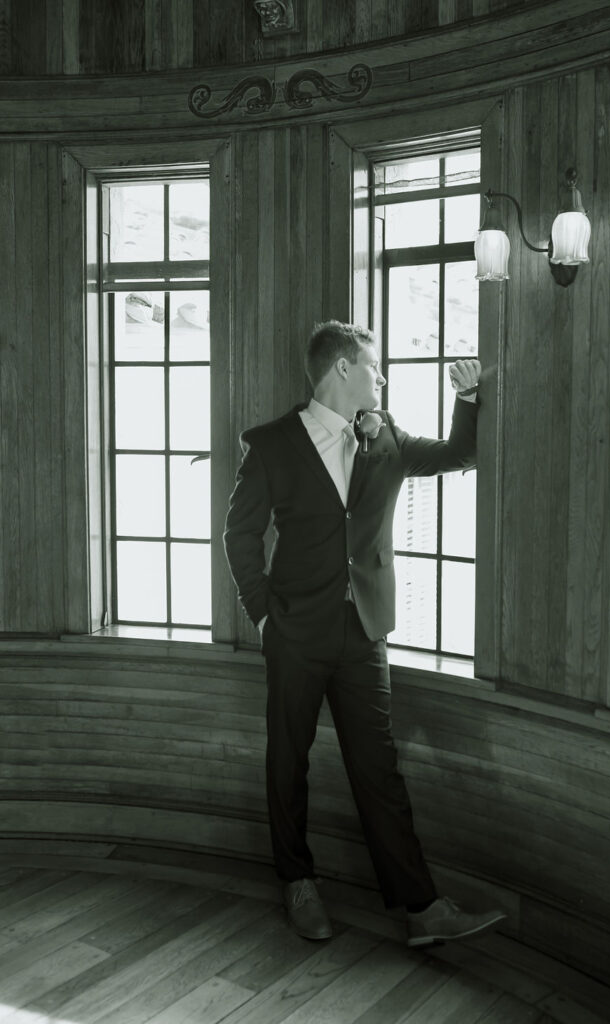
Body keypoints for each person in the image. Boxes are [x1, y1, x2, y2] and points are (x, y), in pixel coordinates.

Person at [224, 320, 506, 948]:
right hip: (294, 633)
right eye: (374, 367)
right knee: (287, 763)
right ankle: (298, 883)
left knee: (379, 770)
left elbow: (460, 455)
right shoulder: (271, 444)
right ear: (343, 369)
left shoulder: (387, 440)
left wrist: (468, 399)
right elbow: (238, 534)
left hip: (365, 635)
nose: (382, 377)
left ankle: (422, 909)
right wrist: (265, 616)